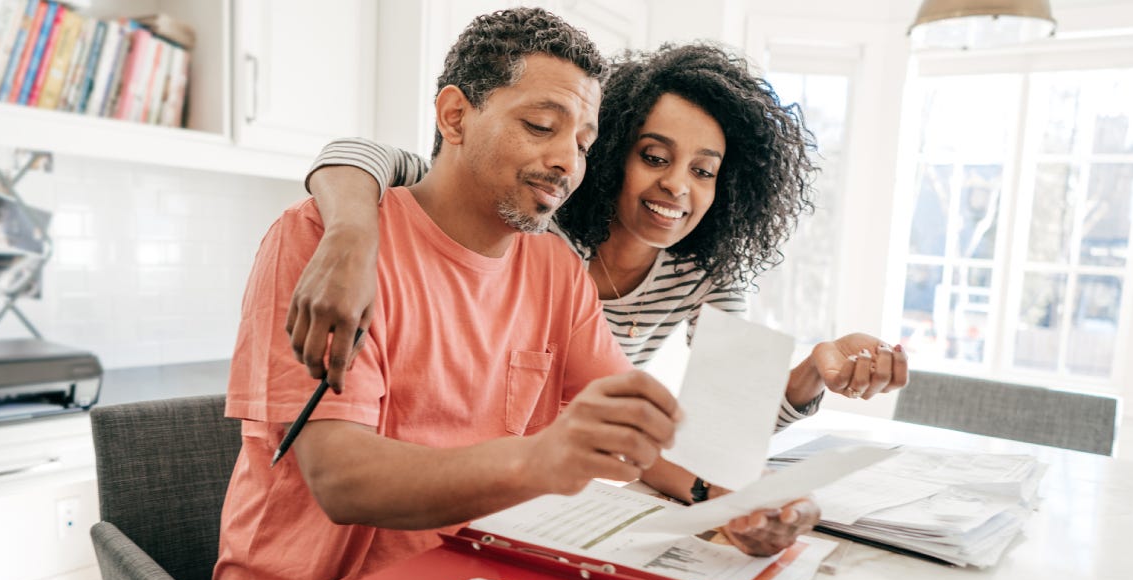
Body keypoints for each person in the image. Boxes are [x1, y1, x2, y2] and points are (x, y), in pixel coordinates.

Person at [211, 9, 816, 580]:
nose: (565, 161)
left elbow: (632, 427)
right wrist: (539, 459)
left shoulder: (553, 267)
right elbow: (341, 480)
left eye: (583, 143)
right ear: (455, 117)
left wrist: (730, 500)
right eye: (540, 126)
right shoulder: (321, 242)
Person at [290, 43, 908, 431]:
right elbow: (362, 154)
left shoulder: (702, 271)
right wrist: (348, 235)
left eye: (703, 171)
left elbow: (728, 427)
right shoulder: (534, 219)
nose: (677, 187)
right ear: (610, 153)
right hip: (486, 474)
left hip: (567, 487)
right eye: (654, 156)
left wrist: (810, 374)